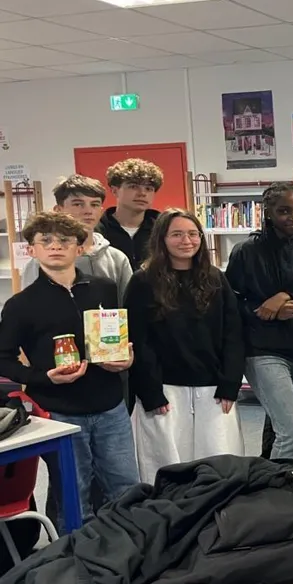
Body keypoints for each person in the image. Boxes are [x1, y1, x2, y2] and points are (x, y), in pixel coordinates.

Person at [0, 212, 137, 530]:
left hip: (110, 405)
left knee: (127, 486)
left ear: (80, 247)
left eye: (64, 240)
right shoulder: (21, 305)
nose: (55, 246)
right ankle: (74, 562)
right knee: (73, 495)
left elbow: (121, 338)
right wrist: (41, 376)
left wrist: (127, 358)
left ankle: (134, 549)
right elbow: (3, 358)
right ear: (31, 250)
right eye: (45, 240)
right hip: (60, 412)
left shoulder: (105, 289)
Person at [125, 209, 245, 483]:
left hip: (214, 388)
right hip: (165, 390)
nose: (186, 241)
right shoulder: (143, 282)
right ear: (162, 239)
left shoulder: (215, 278)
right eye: (177, 234)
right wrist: (151, 392)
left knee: (220, 463)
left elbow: (233, 334)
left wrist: (230, 383)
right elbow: (138, 341)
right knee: (165, 466)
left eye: (193, 234)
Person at [226, 183, 293, 461]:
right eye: (284, 211)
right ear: (268, 213)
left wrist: (285, 295)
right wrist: (264, 309)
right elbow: (230, 303)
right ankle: (274, 492)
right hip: (264, 350)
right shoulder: (245, 251)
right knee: (292, 432)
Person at [22, 175, 132, 303]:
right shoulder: (42, 260)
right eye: (78, 204)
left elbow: (128, 307)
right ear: (59, 210)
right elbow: (29, 307)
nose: (88, 211)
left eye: (94, 204)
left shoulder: (117, 259)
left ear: (101, 211)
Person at [96, 158, 163, 267]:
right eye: (133, 186)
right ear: (114, 190)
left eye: (148, 188)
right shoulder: (97, 230)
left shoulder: (163, 228)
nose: (142, 193)